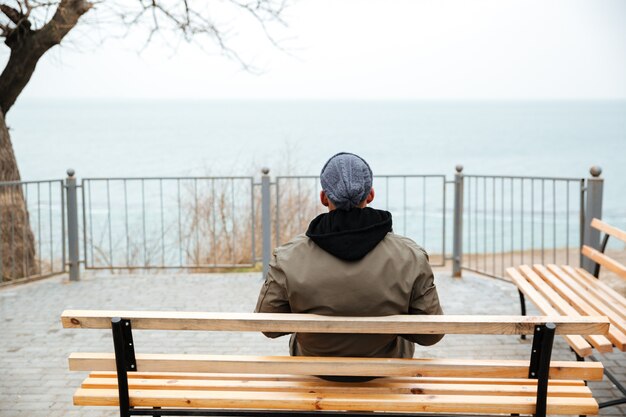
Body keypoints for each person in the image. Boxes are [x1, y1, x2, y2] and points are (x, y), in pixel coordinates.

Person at [254, 152, 444, 368]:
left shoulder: (288, 256)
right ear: (370, 195)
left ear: (324, 198)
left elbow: (268, 325)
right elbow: (431, 334)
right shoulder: (410, 255)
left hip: (316, 369)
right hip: (385, 369)